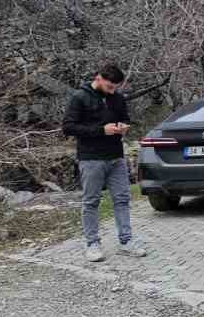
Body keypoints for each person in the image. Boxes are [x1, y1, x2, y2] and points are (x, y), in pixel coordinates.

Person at [62, 62, 147, 263]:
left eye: (115, 87)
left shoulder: (117, 99)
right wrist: (101, 130)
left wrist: (124, 127)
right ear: (98, 78)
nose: (112, 90)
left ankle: (126, 241)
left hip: (116, 157)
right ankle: (92, 244)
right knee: (91, 201)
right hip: (91, 158)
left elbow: (125, 118)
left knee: (122, 199)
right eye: (109, 86)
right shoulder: (79, 97)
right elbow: (68, 127)